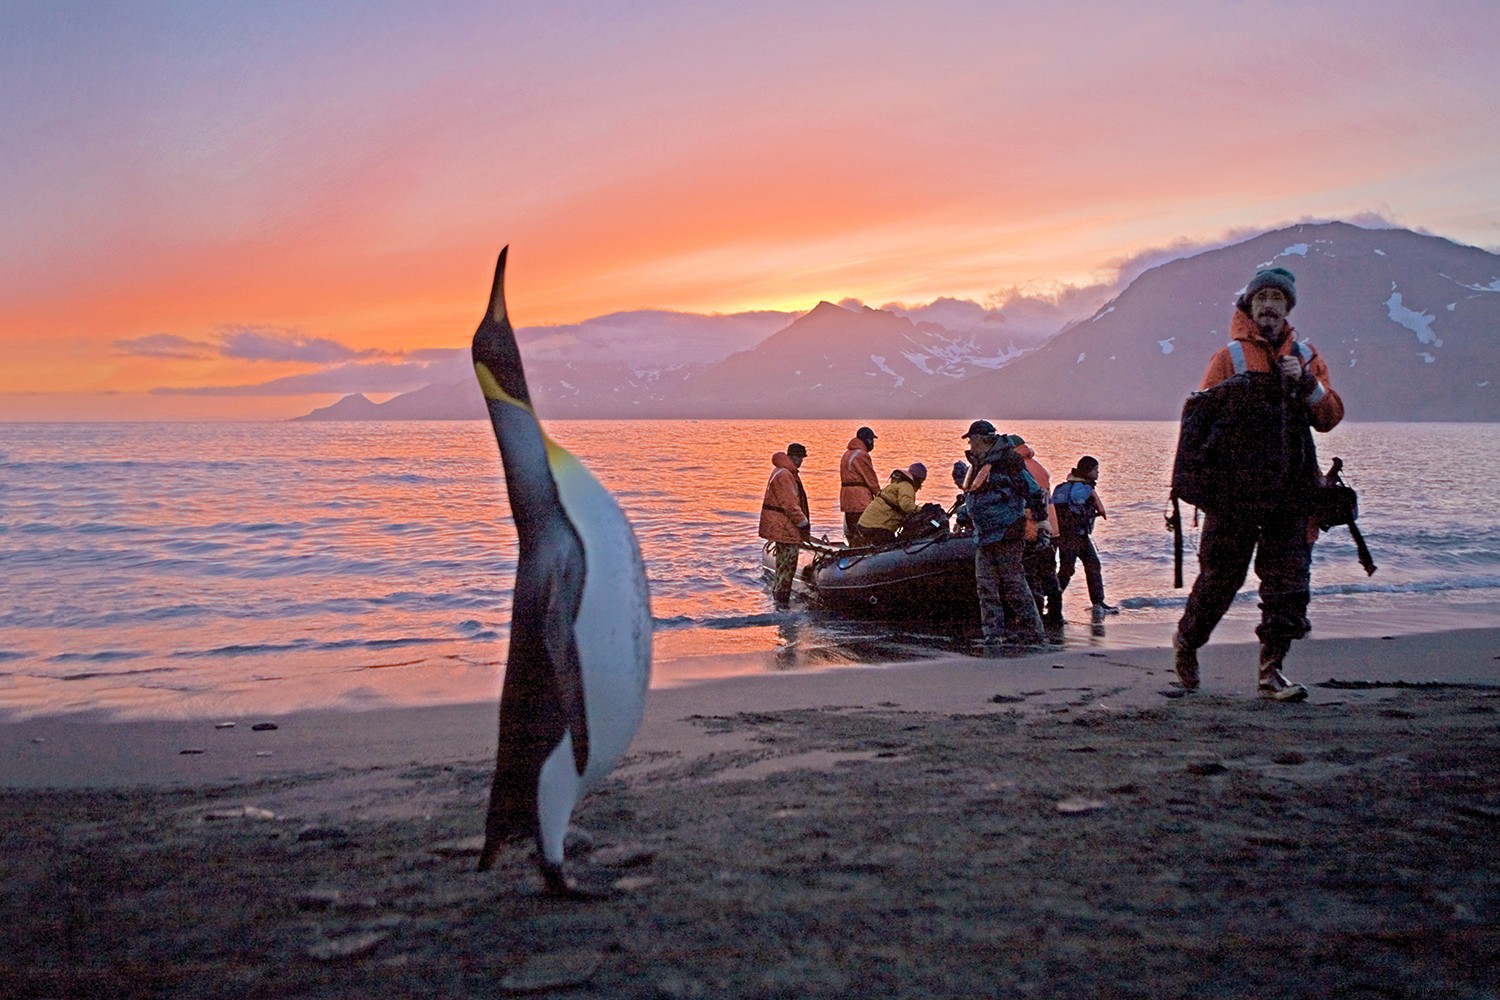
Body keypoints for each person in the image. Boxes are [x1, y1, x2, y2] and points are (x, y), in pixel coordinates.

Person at [1173, 266, 1344, 701]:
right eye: (1262, 297)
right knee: (1219, 580)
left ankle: (1271, 673)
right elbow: (1199, 425)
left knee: (1288, 584)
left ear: (1288, 308)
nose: (1269, 305)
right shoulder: (1227, 357)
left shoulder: (1306, 357)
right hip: (1235, 495)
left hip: (1292, 493)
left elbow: (1330, 417)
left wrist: (1305, 385)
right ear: (1249, 306)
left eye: (1277, 299)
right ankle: (1187, 644)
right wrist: (1199, 487)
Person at [962, 420, 1045, 646]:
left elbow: (1034, 492)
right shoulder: (979, 465)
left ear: (981, 439)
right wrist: (964, 513)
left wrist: (1041, 523)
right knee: (985, 586)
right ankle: (993, 634)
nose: (969, 445)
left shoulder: (1009, 462)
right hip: (983, 535)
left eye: (971, 440)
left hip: (1007, 532)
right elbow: (973, 495)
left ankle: (1033, 632)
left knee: (1013, 584)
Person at [1053, 456, 1117, 623]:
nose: (1098, 473)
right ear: (1088, 471)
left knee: (1088, 566)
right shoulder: (1084, 488)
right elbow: (1078, 501)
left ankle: (1097, 603)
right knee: (1071, 569)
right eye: (1096, 470)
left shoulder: (1065, 487)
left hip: (1069, 535)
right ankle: (1053, 604)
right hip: (1076, 535)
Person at [1009, 436, 1063, 627]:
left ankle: (1035, 618)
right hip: (1052, 527)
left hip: (1035, 529)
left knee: (1031, 574)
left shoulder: (1020, 469)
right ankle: (1056, 615)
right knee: (1049, 573)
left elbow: (1029, 503)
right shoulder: (1036, 465)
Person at [759, 442, 811, 608]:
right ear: (793, 457)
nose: (801, 461)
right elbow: (790, 504)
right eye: (800, 457)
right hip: (785, 529)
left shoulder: (781, 472)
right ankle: (782, 604)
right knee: (787, 566)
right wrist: (803, 523)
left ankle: (778, 600)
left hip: (781, 528)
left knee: (782, 566)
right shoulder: (785, 475)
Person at [855, 463, 929, 545]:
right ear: (920, 479)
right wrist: (922, 510)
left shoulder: (897, 485)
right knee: (896, 545)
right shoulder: (906, 486)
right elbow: (907, 506)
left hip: (865, 524)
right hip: (877, 527)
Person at [839, 426, 880, 541]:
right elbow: (871, 479)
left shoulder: (846, 454)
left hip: (847, 499)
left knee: (852, 530)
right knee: (863, 531)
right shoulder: (862, 455)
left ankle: (853, 549)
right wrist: (880, 496)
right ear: (867, 440)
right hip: (860, 500)